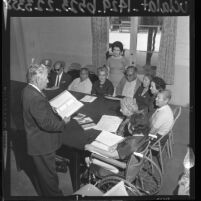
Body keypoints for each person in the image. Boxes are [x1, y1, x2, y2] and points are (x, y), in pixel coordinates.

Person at [22, 64, 71, 196]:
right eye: (46, 78)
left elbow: (39, 110)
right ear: (37, 79)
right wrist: (63, 122)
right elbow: (46, 124)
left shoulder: (28, 90)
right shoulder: (35, 97)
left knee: (45, 176)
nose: (48, 81)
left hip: (37, 142)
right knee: (49, 178)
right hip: (42, 145)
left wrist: (50, 109)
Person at [85, 112, 149, 161]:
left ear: (132, 127)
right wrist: (117, 144)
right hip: (124, 150)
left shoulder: (131, 144)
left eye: (129, 123)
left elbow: (112, 155)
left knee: (87, 148)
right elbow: (128, 138)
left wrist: (93, 148)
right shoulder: (143, 134)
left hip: (118, 158)